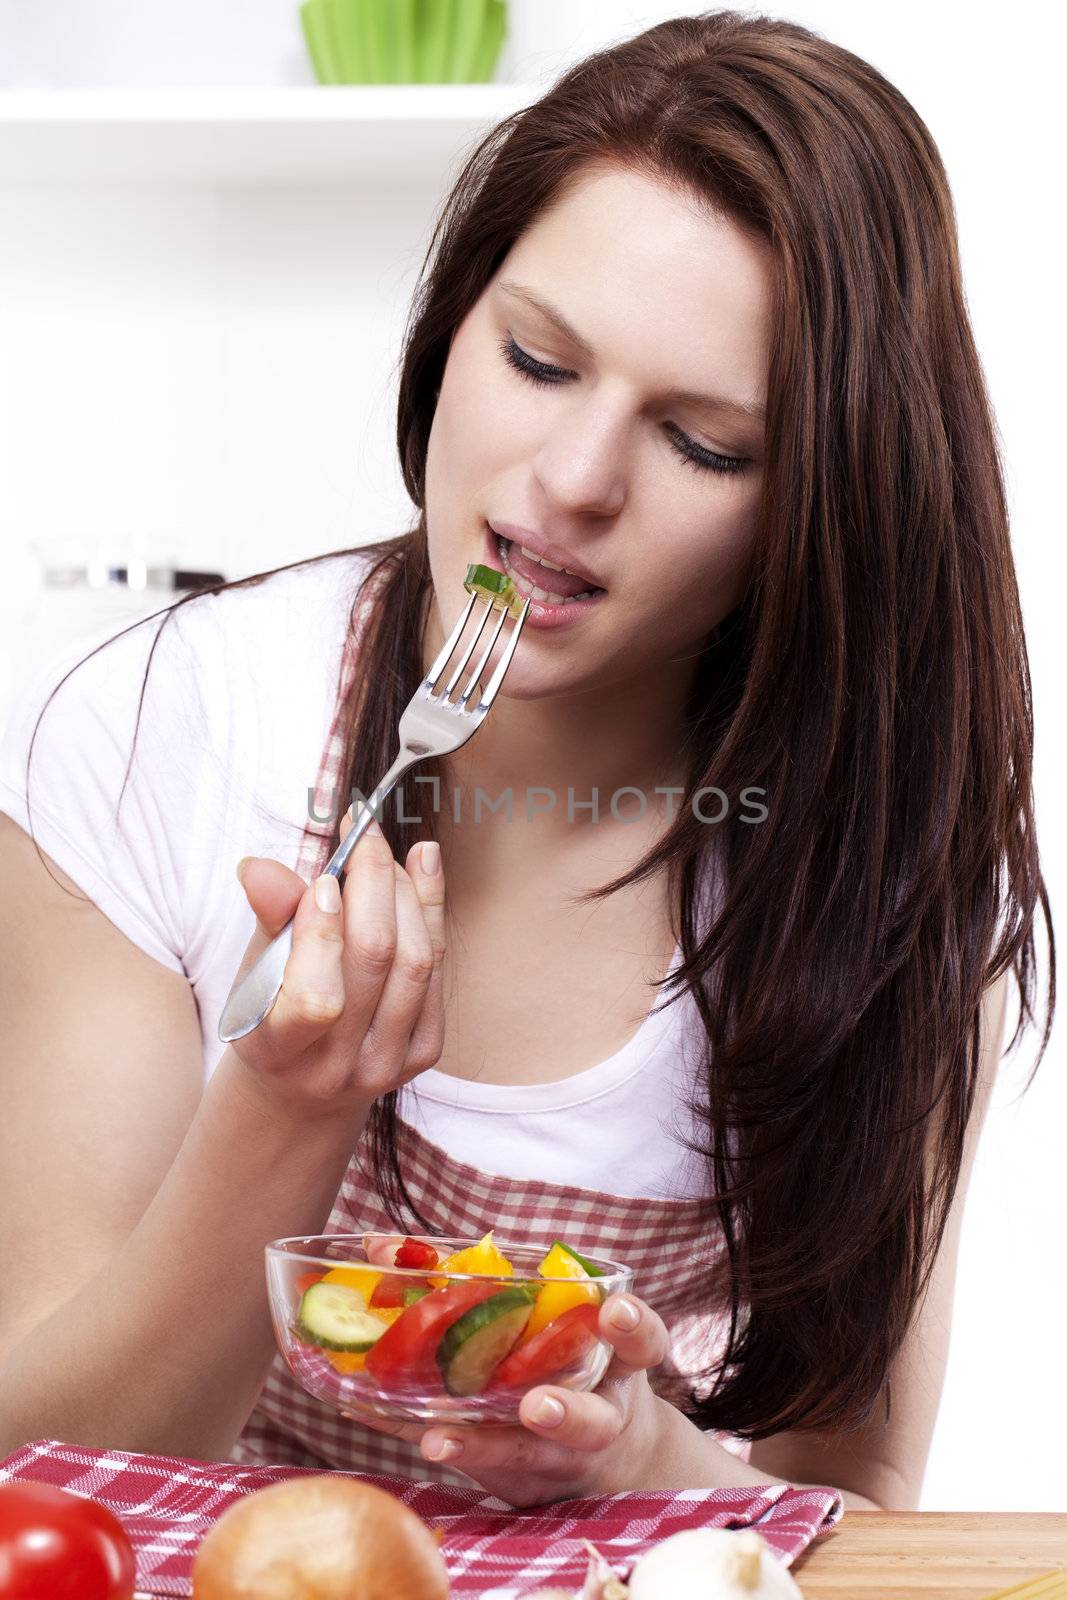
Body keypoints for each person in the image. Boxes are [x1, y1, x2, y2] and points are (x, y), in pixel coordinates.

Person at [0, 10, 1053, 1513]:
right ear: (452, 324)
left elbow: (854, 1510)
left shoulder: (870, 875)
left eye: (702, 445)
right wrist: (284, 1119)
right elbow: (38, 1467)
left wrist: (647, 1457)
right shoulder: (154, 738)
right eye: (540, 359)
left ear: (820, 500)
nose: (570, 483)